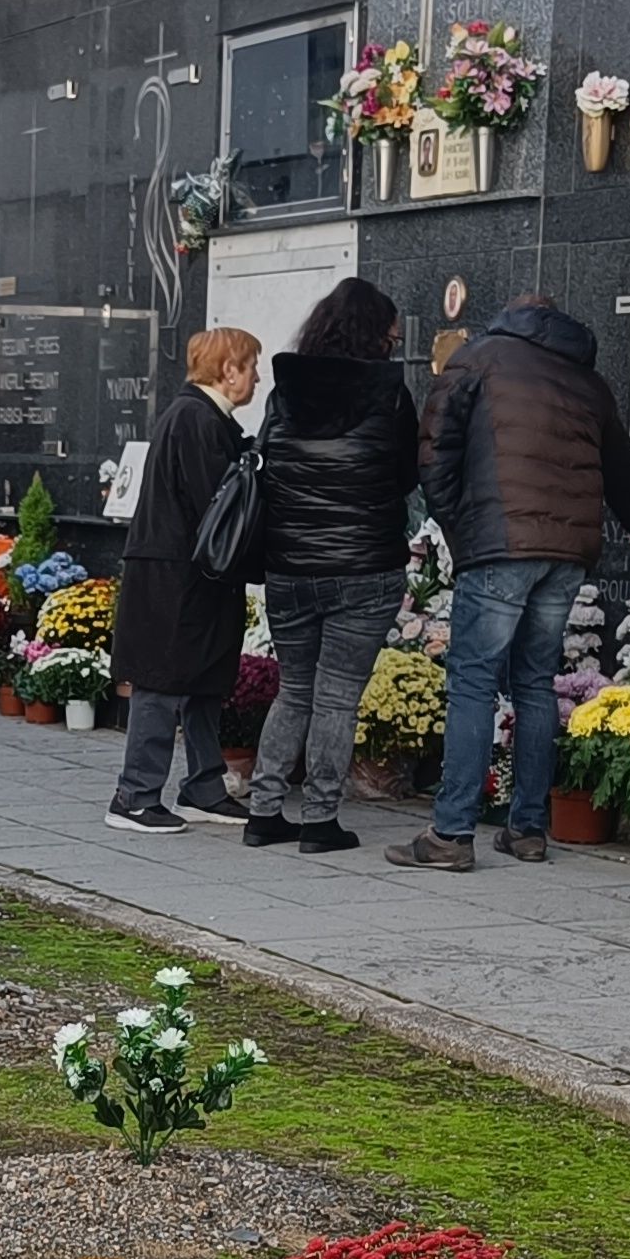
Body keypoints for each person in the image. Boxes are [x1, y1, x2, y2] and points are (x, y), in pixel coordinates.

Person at [391, 292, 630, 870]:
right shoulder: (587, 382)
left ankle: (451, 833)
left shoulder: (478, 357)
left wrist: (457, 523)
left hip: (498, 541)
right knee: (535, 682)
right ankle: (527, 830)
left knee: (472, 681)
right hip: (566, 553)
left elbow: (434, 446)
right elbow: (622, 463)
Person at [241, 278, 415, 857]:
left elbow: (266, 463)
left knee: (294, 690)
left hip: (290, 566)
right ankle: (319, 821)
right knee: (337, 697)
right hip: (366, 568)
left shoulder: (285, 391)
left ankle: (263, 812)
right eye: (391, 335)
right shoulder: (390, 393)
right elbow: (406, 474)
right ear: (377, 335)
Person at [104, 327, 262, 833]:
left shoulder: (202, 416)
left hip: (191, 574)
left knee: (202, 683)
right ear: (229, 370)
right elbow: (216, 504)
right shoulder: (196, 418)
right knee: (164, 680)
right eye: (251, 366)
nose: (257, 377)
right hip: (176, 577)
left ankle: (203, 788)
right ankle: (135, 796)